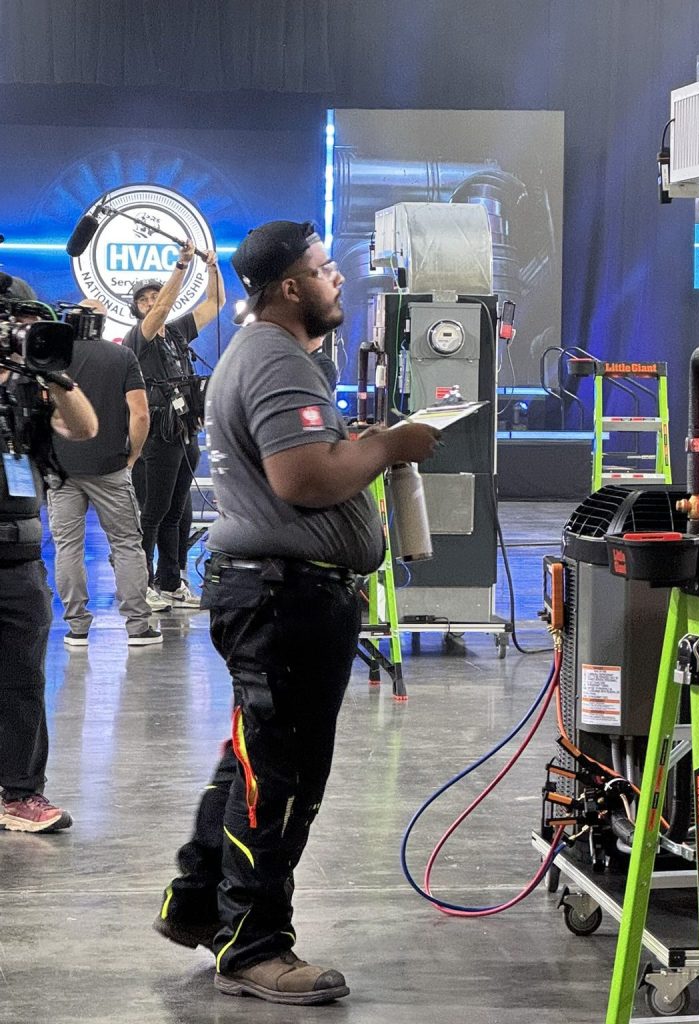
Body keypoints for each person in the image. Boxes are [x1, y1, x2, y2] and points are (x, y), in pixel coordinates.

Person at [154, 220, 440, 1005]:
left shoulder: (271, 355)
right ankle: (254, 948)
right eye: (322, 269)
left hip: (278, 591)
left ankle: (198, 904)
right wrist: (390, 445)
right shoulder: (277, 360)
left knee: (253, 753)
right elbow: (305, 478)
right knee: (281, 775)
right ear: (289, 287)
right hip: (285, 597)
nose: (337, 277)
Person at [0, 300, 98, 832]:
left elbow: (84, 428)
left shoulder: (25, 388)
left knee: (23, 682)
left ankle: (19, 793)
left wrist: (53, 375)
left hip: (18, 557)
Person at [46, 299, 162, 647]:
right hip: (110, 466)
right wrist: (133, 455)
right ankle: (138, 626)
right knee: (126, 544)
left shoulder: (52, 359)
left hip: (61, 467)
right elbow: (140, 414)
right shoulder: (122, 356)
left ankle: (77, 627)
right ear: (103, 320)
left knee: (67, 547)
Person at [124, 241, 225, 609]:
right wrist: (182, 265)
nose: (153, 302)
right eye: (144, 300)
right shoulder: (140, 337)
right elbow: (165, 306)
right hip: (156, 435)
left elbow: (215, 304)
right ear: (137, 308)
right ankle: (142, 584)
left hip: (183, 430)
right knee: (153, 510)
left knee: (178, 512)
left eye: (155, 296)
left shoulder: (178, 332)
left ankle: (172, 580)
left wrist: (214, 269)